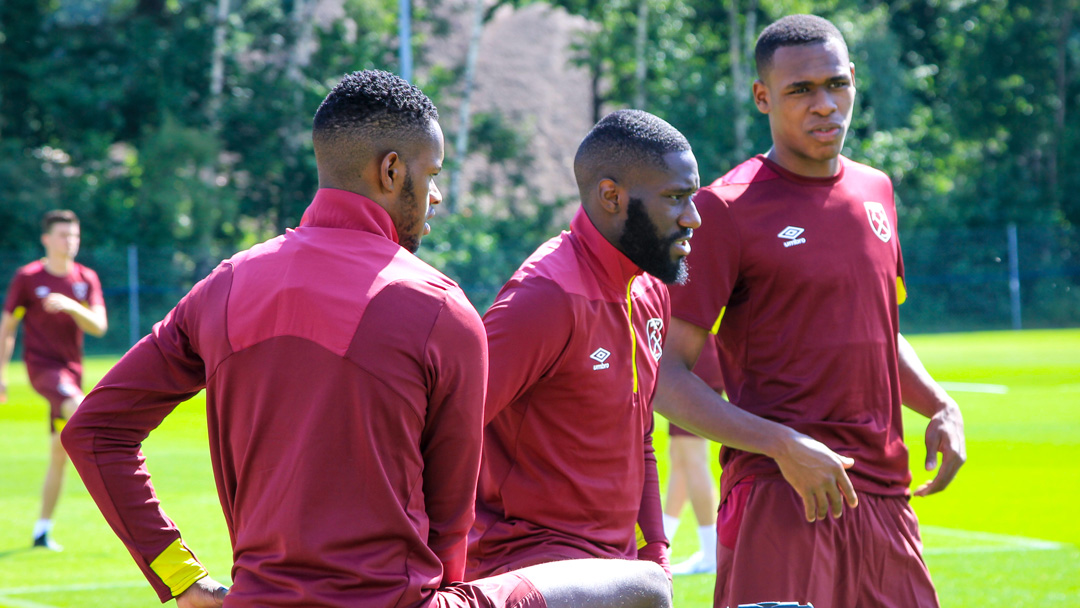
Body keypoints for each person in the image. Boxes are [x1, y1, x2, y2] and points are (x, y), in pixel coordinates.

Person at [62, 70, 671, 608]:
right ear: (390, 170)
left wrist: (184, 580)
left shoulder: (225, 284)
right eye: (431, 175)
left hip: (255, 599)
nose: (436, 196)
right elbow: (448, 530)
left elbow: (94, 431)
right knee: (644, 586)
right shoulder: (438, 306)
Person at [654, 15, 967, 608]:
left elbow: (876, 329)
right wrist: (781, 445)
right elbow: (665, 379)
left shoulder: (877, 189)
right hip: (781, 494)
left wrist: (938, 403)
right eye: (801, 90)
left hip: (883, 500)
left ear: (853, 81)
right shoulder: (725, 208)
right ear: (763, 96)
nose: (824, 105)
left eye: (835, 85)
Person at [466, 109, 701, 582]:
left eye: (692, 197)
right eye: (676, 198)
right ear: (611, 196)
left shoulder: (650, 291)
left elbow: (639, 438)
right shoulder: (545, 296)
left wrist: (655, 557)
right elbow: (448, 432)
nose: (692, 218)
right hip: (531, 572)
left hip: (613, 577)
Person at [0, 209, 108, 551]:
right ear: (46, 239)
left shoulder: (85, 278)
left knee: (59, 452)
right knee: (80, 410)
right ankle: (114, 473)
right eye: (63, 235)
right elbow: (8, 328)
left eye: (74, 235)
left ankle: (42, 530)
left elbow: (99, 327)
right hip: (42, 370)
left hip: (73, 372)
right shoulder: (28, 277)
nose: (70, 242)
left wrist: (72, 306)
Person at [662, 339, 721, 576]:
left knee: (692, 456)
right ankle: (662, 544)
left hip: (693, 362)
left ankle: (712, 553)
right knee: (680, 457)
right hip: (692, 360)